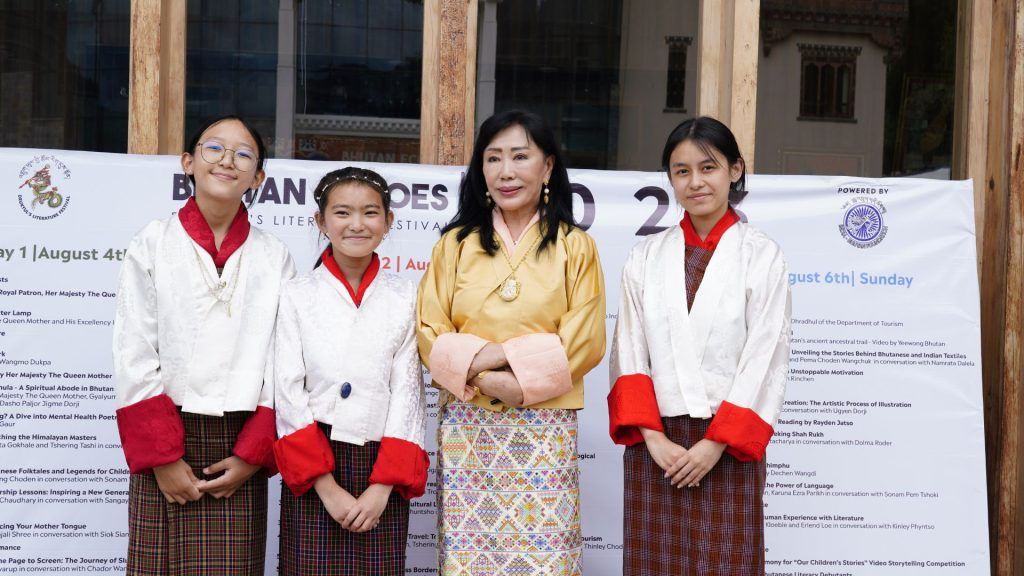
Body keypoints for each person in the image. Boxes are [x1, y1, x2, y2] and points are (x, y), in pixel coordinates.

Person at [417, 109, 606, 575]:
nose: (506, 171)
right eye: (493, 158)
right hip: (468, 419)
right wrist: (488, 373)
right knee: (469, 555)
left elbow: (585, 338)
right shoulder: (454, 245)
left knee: (545, 557)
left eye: (520, 157)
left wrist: (515, 381)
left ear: (547, 167)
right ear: (479, 170)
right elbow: (429, 330)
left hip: (544, 422)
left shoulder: (574, 245)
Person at [607, 116, 791, 576]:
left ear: (735, 169)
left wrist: (715, 444)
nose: (695, 182)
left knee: (726, 561)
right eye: (681, 170)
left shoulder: (761, 254)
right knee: (656, 564)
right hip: (658, 447)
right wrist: (652, 437)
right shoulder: (645, 256)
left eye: (708, 167)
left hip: (728, 444)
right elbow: (628, 348)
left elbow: (765, 355)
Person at [113, 115, 295, 575]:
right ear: (188, 162)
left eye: (243, 153)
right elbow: (134, 351)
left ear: (258, 178)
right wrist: (163, 458)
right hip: (167, 436)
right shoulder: (152, 243)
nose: (227, 161)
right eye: (214, 149)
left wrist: (253, 455)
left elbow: (284, 359)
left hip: (238, 445)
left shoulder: (275, 256)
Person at [273, 167, 428, 576]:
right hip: (316, 463)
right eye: (342, 213)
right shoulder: (297, 294)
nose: (357, 224)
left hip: (381, 462)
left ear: (388, 221)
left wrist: (382, 487)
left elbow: (409, 392)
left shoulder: (407, 294)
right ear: (320, 222)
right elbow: (287, 390)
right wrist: (326, 487)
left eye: (370, 213)